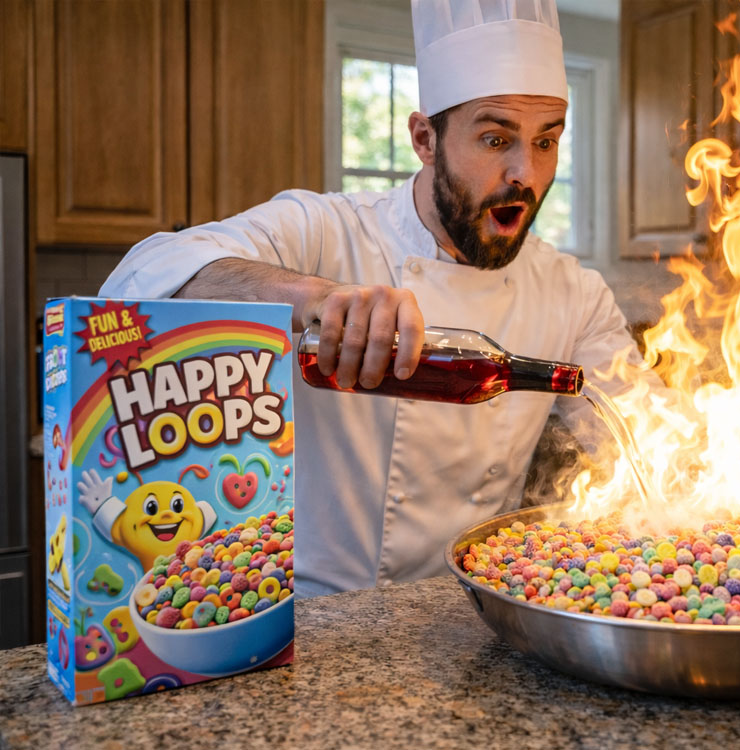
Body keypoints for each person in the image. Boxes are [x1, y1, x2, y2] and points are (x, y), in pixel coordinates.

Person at [101, 0, 650, 596]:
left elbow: (644, 432)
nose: (526, 173)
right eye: (496, 139)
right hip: (309, 618)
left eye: (546, 142)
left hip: (474, 612)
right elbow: (141, 275)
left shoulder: (573, 292)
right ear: (425, 139)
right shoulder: (324, 231)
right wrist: (317, 297)